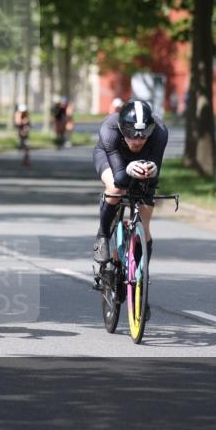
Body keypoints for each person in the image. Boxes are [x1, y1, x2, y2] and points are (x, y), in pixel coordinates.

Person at [92, 100, 169, 318]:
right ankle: (103, 235)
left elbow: (154, 177)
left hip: (141, 163)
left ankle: (141, 283)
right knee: (116, 189)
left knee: (144, 220)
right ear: (122, 129)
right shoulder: (109, 129)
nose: (137, 140)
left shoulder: (160, 132)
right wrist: (127, 169)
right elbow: (119, 177)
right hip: (111, 159)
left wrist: (151, 170)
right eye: (132, 135)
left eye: (143, 136)